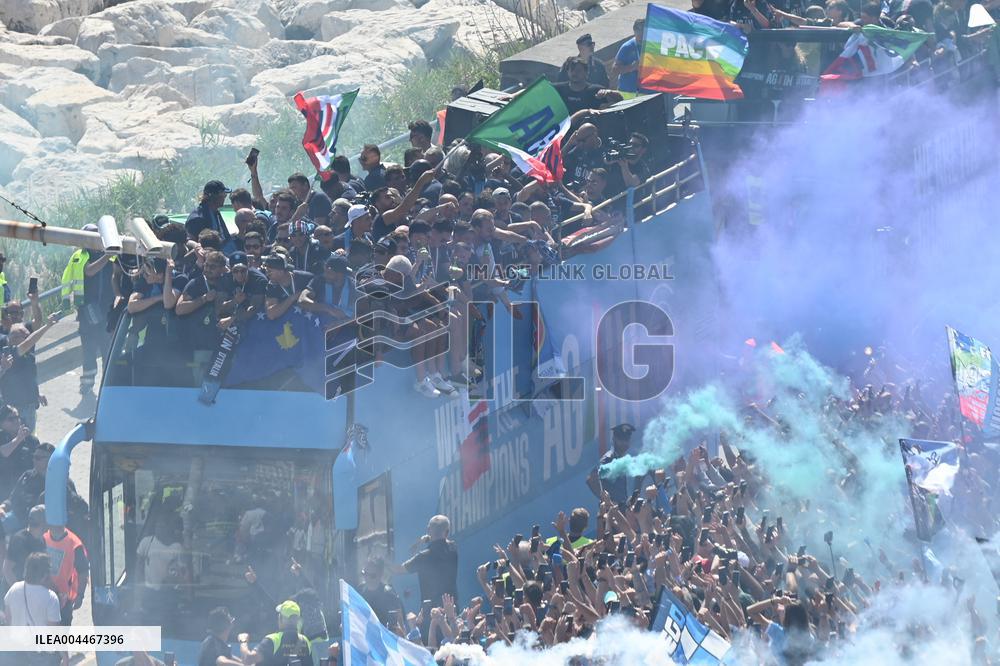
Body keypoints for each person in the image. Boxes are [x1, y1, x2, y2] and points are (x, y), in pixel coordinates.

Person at [60, 225, 116, 396]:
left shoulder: (110, 255)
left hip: (107, 310)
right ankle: (87, 384)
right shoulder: (80, 256)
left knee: (108, 348)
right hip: (87, 312)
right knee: (89, 350)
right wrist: (108, 255)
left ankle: (110, 384)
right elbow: (90, 271)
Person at [2, 553, 63, 665]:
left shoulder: (14, 589)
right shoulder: (50, 597)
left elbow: (8, 619)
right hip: (42, 655)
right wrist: (65, 656)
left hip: (17, 651)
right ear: (45, 575)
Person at [0, 315, 58, 432]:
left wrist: (36, 393)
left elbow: (27, 377)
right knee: (22, 440)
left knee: (30, 437)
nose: (26, 338)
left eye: (25, 335)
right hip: (15, 408)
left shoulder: (29, 354)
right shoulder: (11, 353)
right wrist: (48, 325)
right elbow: (30, 341)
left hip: (29, 404)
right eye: (14, 336)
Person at [398, 515, 458, 609]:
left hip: (431, 611)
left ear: (428, 530)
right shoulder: (453, 549)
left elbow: (400, 569)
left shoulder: (423, 557)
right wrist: (431, 536)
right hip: (451, 607)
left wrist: (420, 542)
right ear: (447, 532)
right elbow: (444, 540)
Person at [239, 600, 312, 666]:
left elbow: (248, 659)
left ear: (280, 618)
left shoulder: (273, 640)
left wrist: (243, 641)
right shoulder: (305, 641)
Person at [44, 522, 88, 626]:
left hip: (63, 600)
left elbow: (83, 572)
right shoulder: (43, 537)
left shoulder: (75, 544)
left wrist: (80, 595)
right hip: (44, 595)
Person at [587, 423, 639, 503]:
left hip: (622, 508)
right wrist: (607, 501)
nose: (624, 443)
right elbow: (591, 479)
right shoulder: (609, 458)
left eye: (627, 439)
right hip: (613, 511)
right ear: (614, 439)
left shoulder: (621, 458)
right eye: (621, 439)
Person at [2, 505, 46, 587]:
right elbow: (7, 569)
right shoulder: (18, 540)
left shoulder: (42, 540)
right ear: (42, 525)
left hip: (29, 590)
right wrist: (19, 592)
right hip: (12, 589)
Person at [187, 181, 237, 254]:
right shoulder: (197, 218)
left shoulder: (215, 212)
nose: (224, 197)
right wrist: (197, 247)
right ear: (214, 196)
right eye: (223, 195)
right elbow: (188, 241)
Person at [358, 556, 403, 625]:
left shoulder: (389, 594)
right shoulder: (359, 590)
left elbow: (399, 623)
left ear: (380, 574)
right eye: (364, 573)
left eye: (372, 575)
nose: (367, 578)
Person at [611, 19, 645, 93]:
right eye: (638, 29)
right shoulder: (627, 47)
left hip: (648, 92)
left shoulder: (652, 46)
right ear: (634, 30)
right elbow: (615, 70)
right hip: (629, 93)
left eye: (643, 29)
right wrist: (632, 67)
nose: (641, 32)